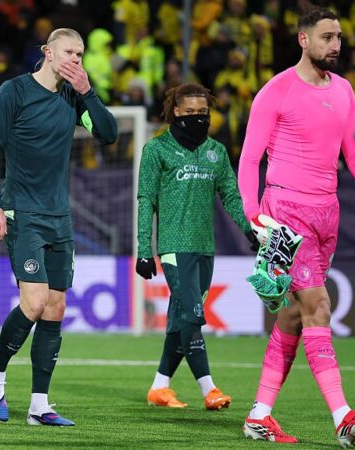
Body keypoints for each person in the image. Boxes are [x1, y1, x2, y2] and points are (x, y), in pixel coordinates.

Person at [237, 8, 355, 446]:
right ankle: (343, 417)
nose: (336, 45)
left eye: (339, 37)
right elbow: (249, 159)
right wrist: (253, 213)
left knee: (293, 313)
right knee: (318, 306)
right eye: (327, 37)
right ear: (303, 40)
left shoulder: (345, 91)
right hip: (285, 212)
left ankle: (259, 415)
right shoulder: (276, 91)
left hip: (328, 212)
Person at [0, 27, 117, 426]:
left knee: (56, 308)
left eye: (81, 53)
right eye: (69, 52)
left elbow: (108, 135)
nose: (76, 59)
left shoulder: (75, 98)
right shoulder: (15, 92)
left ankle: (39, 405)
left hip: (60, 217)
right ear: (47, 52)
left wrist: (89, 92)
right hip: (22, 212)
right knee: (35, 301)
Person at [137, 82, 255, 411]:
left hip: (205, 247)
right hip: (174, 245)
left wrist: (249, 228)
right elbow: (145, 200)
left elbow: (231, 195)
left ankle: (160, 387)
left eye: (202, 113)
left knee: (181, 318)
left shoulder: (216, 152)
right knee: (192, 313)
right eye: (190, 113)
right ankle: (210, 389)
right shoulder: (156, 150)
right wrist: (144, 249)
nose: (197, 118)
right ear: (176, 111)